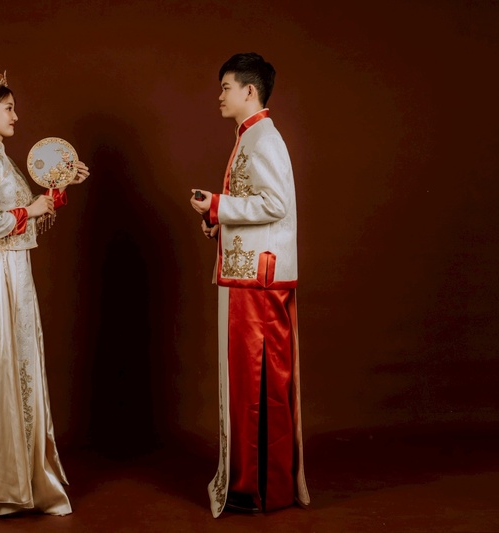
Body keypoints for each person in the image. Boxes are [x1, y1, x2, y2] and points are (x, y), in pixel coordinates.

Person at [0, 66, 89, 516]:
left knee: (19, 365)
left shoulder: (0, 158)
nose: (15, 116)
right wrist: (35, 207)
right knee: (1, 368)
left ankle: (20, 479)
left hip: (14, 268)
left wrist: (59, 185)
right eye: (8, 108)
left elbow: (28, 215)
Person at [190, 53, 310, 517]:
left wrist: (218, 205)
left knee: (257, 382)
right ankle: (252, 484)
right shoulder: (252, 135)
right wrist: (217, 220)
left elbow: (275, 203)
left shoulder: (264, 138)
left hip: (258, 282)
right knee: (248, 382)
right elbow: (257, 204)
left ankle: (256, 488)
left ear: (249, 91)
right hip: (249, 275)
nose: (219, 96)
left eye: (225, 87)